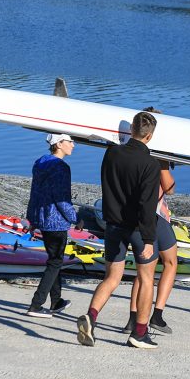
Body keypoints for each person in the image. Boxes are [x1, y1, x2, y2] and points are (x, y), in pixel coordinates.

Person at [77, 111, 162, 349]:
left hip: (113, 225)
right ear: (150, 136)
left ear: (131, 131)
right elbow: (147, 204)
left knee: (112, 277)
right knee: (146, 279)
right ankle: (140, 333)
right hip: (137, 228)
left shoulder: (111, 153)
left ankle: (91, 317)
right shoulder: (150, 164)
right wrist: (148, 238)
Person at [25, 133, 81, 318]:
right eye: (70, 141)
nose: (73, 145)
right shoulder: (61, 167)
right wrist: (75, 218)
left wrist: (32, 219)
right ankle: (36, 304)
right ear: (59, 144)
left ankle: (56, 301)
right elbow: (61, 198)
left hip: (42, 218)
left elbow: (35, 192)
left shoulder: (40, 162)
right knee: (55, 262)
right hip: (56, 222)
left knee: (53, 261)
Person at [124, 156, 178, 335]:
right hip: (155, 216)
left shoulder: (132, 156)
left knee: (143, 270)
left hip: (133, 215)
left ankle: (133, 319)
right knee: (170, 262)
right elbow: (169, 188)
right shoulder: (158, 159)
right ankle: (157, 315)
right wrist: (165, 165)